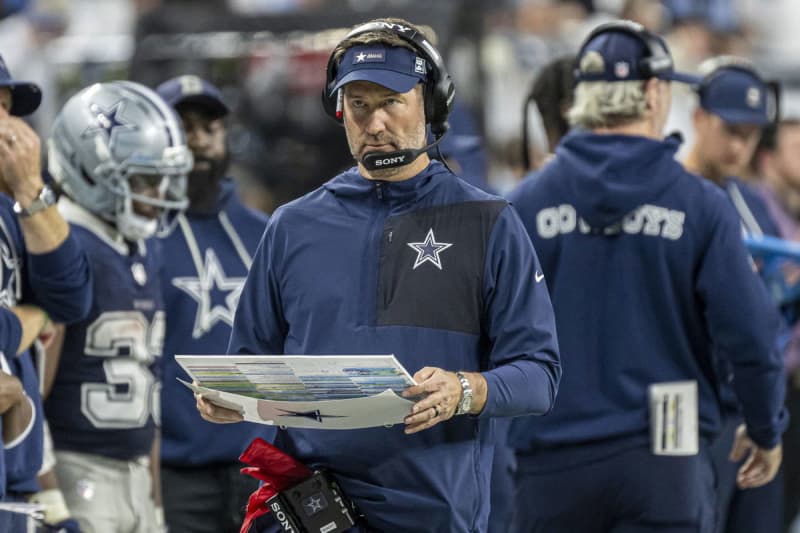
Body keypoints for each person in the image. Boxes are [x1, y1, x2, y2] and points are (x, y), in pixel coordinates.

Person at [197, 17, 561, 533]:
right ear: (339, 112)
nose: (374, 124)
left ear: (430, 105)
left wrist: (466, 388)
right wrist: (228, 398)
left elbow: (539, 375)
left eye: (392, 101)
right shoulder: (292, 225)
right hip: (309, 509)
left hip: (433, 514)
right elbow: (249, 361)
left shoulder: (489, 222)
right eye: (360, 106)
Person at [508, 20, 787, 533]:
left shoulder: (523, 206)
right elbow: (752, 335)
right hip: (666, 459)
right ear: (655, 94)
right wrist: (766, 428)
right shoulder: (699, 205)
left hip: (548, 465)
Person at [42, 80, 192, 533]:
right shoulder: (62, 245)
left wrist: (155, 499)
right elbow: (30, 395)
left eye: (163, 178)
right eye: (145, 178)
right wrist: (46, 497)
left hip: (134, 476)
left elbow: (148, 391)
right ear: (88, 171)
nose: (160, 194)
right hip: (75, 469)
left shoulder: (139, 245)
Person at [153, 74, 267, 533]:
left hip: (259, 466)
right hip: (174, 470)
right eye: (183, 127)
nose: (198, 140)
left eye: (209, 127)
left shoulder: (266, 233)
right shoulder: (141, 235)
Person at [682, 56, 785, 533]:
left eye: (751, 135)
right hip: (686, 408)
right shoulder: (671, 195)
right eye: (730, 130)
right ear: (699, 118)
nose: (739, 146)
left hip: (748, 406)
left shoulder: (752, 204)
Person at [0, 53, 92, 530]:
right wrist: (31, 318)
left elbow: (72, 299)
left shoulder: (16, 207)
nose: (6, 127)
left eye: (6, 107)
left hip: (17, 479)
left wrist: (31, 188)